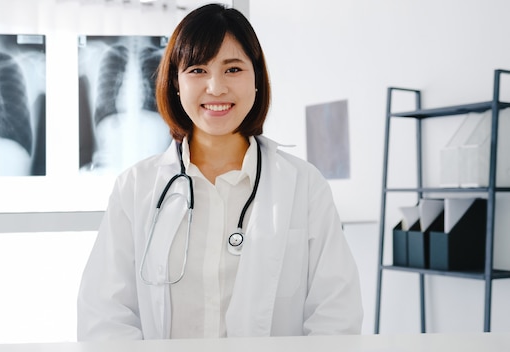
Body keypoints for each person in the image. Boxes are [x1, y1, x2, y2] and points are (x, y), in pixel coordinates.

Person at [77, 3, 363, 340]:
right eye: (198, 70)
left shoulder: (303, 185)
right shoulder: (136, 187)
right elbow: (105, 315)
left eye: (233, 69)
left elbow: (336, 313)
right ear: (176, 84)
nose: (216, 87)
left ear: (256, 79)